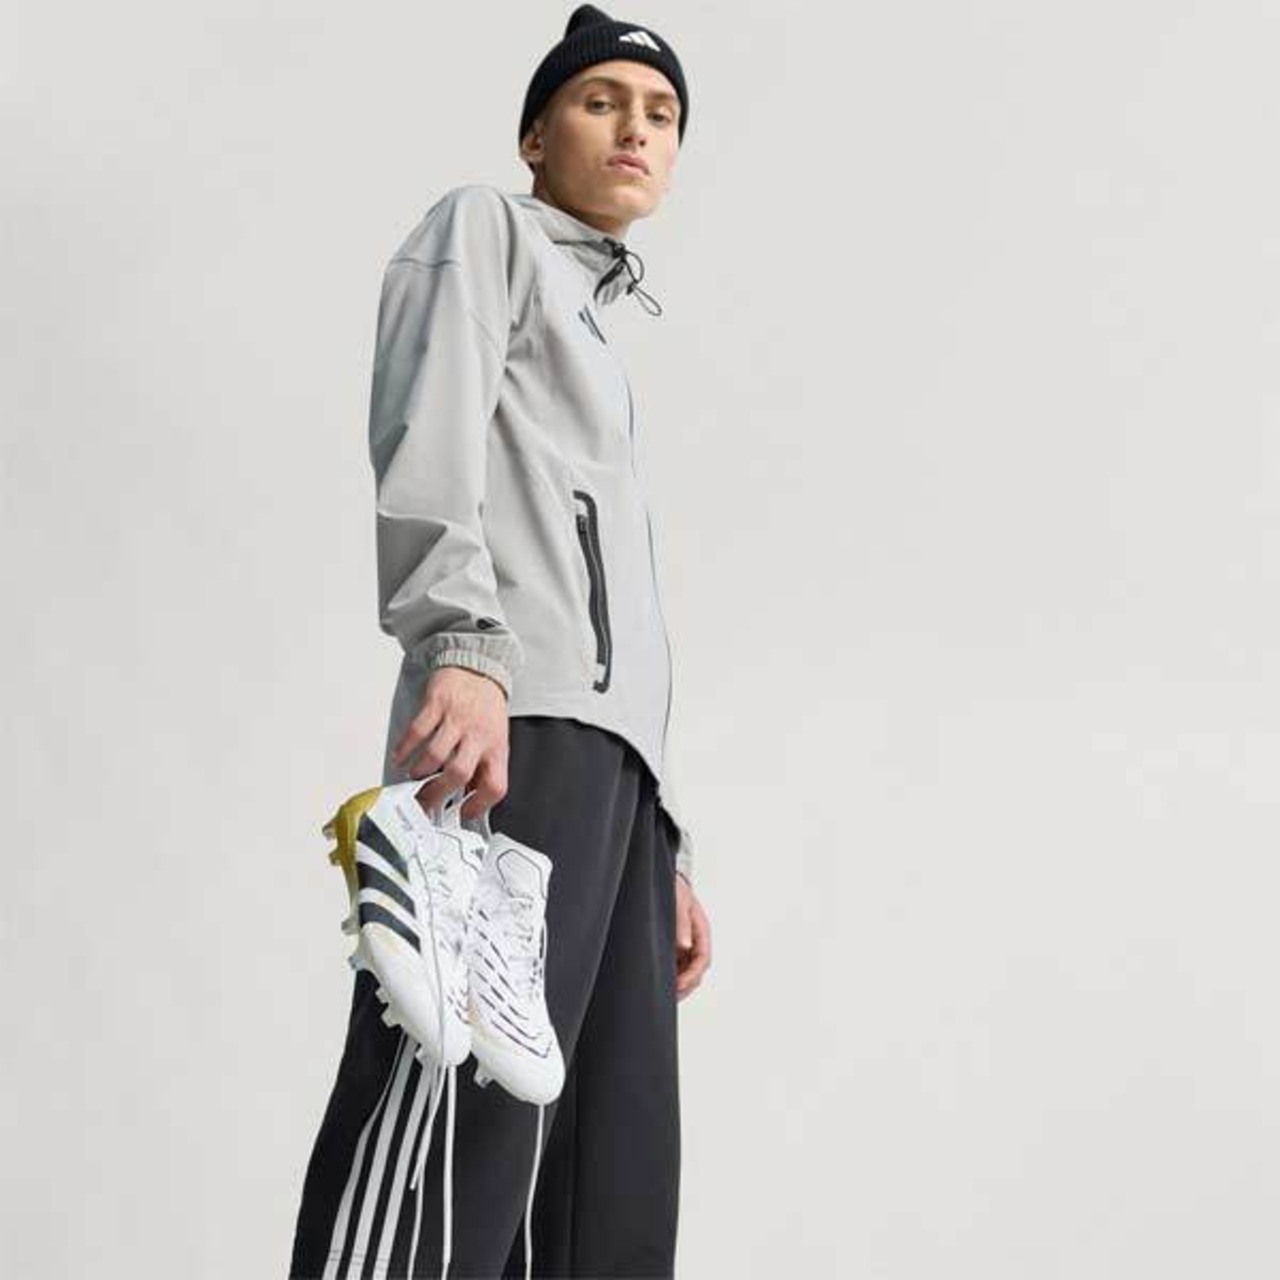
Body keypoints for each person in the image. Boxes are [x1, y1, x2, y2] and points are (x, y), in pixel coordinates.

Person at [288, 6, 712, 1276]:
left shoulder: (598, 330)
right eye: (600, 101)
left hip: (613, 775)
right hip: (512, 725)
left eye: (660, 114)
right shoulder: (485, 230)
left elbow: (610, 595)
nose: (634, 129)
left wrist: (661, 836)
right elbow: (426, 436)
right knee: (455, 1116)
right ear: (535, 134)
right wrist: (461, 644)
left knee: (609, 1170)